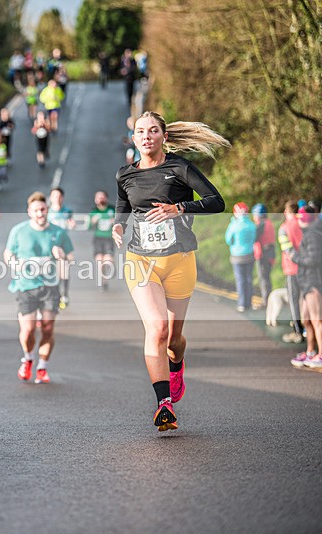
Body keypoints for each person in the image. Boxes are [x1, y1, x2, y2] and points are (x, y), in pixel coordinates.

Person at [112, 110, 228, 432]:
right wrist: (118, 228)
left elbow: (216, 201)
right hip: (140, 260)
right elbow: (123, 207)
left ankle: (176, 365)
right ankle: (164, 404)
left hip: (179, 261)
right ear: (134, 139)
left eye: (152, 131)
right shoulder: (124, 174)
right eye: (140, 131)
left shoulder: (179, 168)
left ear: (163, 136)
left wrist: (179, 208)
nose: (146, 136)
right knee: (158, 329)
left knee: (174, 339)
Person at [4, 191, 74, 384]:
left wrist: (61, 255)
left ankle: (42, 367)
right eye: (36, 210)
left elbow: (71, 257)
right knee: (27, 330)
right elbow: (8, 253)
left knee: (47, 329)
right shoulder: (19, 231)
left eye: (43, 209)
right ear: (29, 212)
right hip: (25, 286)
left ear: (47, 210)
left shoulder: (58, 232)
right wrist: (13, 263)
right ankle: (27, 358)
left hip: (50, 287)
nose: (40, 213)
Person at [291, 205, 322, 368]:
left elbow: (314, 260)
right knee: (306, 319)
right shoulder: (309, 234)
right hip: (305, 282)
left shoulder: (313, 235)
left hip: (313, 282)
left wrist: (294, 257)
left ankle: (321, 354)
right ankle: (310, 352)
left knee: (317, 320)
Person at [279, 201, 305, 343]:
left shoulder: (284, 227)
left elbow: (287, 250)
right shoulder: (304, 224)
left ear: (288, 212)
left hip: (292, 269)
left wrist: (300, 261)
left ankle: (297, 330)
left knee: (294, 300)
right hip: (308, 269)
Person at [225, 202, 257, 312]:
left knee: (240, 280)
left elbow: (228, 240)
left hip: (237, 256)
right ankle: (249, 302)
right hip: (250, 254)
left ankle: (242, 303)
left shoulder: (234, 225)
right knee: (249, 279)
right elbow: (255, 238)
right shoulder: (252, 224)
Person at [48, 187, 76, 308]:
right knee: (50, 271)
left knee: (63, 269)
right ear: (50, 198)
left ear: (62, 198)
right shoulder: (46, 211)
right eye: (54, 196)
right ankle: (53, 294)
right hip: (49, 245)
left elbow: (70, 224)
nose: (57, 199)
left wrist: (72, 226)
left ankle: (64, 294)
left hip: (63, 244)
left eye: (59, 196)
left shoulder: (67, 211)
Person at [89, 190, 116, 292]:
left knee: (107, 261)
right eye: (98, 197)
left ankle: (111, 268)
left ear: (106, 198)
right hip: (98, 239)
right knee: (100, 261)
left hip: (109, 239)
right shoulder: (94, 212)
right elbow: (88, 227)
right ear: (95, 200)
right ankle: (103, 282)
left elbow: (120, 223)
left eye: (102, 197)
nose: (101, 199)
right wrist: (93, 221)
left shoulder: (112, 210)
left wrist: (115, 222)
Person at [252, 203, 276, 308]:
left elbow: (254, 237)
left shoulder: (261, 224)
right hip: (270, 252)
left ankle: (266, 302)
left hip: (264, 254)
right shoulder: (268, 222)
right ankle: (268, 301)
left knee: (264, 279)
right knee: (266, 278)